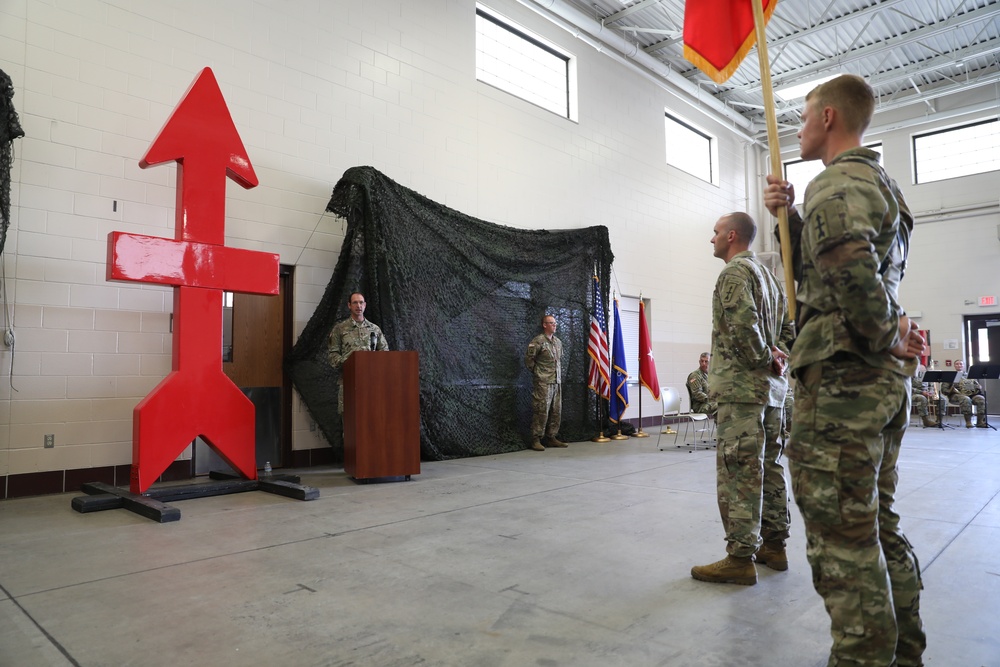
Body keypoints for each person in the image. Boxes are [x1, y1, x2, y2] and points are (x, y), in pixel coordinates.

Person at [764, 74, 926, 666]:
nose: (799, 130)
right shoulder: (879, 182)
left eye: (804, 118)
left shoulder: (834, 184)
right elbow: (851, 264)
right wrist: (793, 223)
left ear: (829, 117)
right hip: (878, 386)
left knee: (843, 540)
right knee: (876, 525)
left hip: (843, 385)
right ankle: (904, 654)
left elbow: (853, 273)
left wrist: (886, 335)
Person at [690, 212, 793, 586]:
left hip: (743, 391)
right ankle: (775, 546)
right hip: (773, 394)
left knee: (739, 472)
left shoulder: (734, 273)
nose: (712, 238)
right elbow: (788, 330)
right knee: (769, 467)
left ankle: (739, 558)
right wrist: (778, 357)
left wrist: (765, 357)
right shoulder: (771, 278)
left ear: (732, 235)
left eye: (716, 232)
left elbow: (743, 326)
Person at [328, 292, 389, 414]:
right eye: (355, 302)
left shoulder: (374, 329)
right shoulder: (340, 329)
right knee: (349, 423)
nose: (358, 306)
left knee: (372, 419)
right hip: (349, 383)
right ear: (349, 305)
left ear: (365, 305)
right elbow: (332, 355)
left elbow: (385, 354)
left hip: (372, 383)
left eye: (361, 302)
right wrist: (349, 361)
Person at [524, 314, 567, 451]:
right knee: (541, 410)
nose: (554, 325)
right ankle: (536, 439)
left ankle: (551, 437)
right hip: (543, 382)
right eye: (551, 323)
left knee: (556, 411)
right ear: (544, 325)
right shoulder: (538, 342)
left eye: (555, 323)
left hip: (556, 381)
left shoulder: (558, 342)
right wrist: (539, 374)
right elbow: (529, 360)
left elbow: (559, 361)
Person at [940, 360, 987, 428]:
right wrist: (951, 388)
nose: (959, 365)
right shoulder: (950, 376)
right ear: (954, 366)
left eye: (961, 364)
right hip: (955, 396)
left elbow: (975, 386)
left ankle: (980, 422)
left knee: (981, 399)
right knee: (965, 399)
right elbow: (944, 390)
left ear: (963, 366)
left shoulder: (970, 375)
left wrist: (978, 387)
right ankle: (968, 422)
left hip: (971, 395)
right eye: (957, 364)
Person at [685, 352, 718, 418]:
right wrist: (713, 399)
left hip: (709, 403)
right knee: (722, 406)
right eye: (702, 361)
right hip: (700, 406)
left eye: (706, 361)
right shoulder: (695, 376)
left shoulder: (711, 375)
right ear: (699, 362)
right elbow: (697, 394)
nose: (703, 363)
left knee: (726, 404)